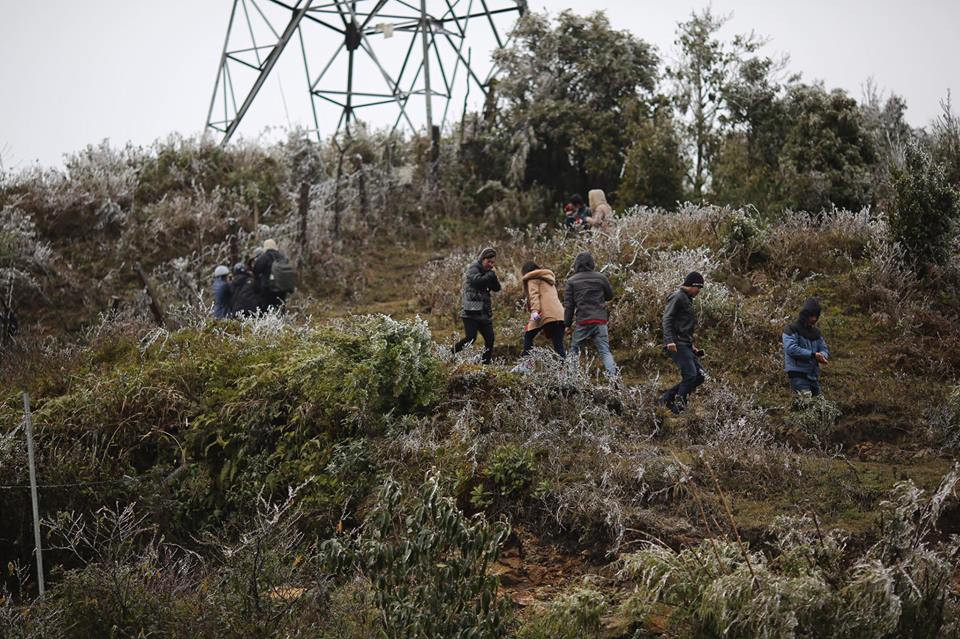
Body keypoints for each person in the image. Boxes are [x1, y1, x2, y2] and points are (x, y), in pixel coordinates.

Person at [564, 252, 618, 379]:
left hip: (583, 321)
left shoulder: (571, 281)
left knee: (574, 350)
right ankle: (614, 378)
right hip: (600, 320)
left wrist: (566, 324)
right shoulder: (601, 278)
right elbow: (610, 296)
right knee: (605, 351)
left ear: (576, 265)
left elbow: (569, 306)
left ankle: (572, 378)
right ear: (592, 263)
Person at [659, 272, 706, 414]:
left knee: (700, 375)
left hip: (685, 343)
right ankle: (679, 406)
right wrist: (669, 341)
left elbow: (683, 324)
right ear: (692, 286)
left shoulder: (687, 298)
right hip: (676, 343)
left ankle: (666, 398)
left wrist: (691, 345)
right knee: (691, 375)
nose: (699, 291)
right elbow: (667, 319)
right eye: (699, 288)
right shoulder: (678, 297)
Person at [453, 247, 501, 364]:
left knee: (490, 339)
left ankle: (485, 364)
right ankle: (449, 353)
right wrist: (490, 275)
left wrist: (493, 277)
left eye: (492, 262)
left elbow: (497, 288)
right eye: (488, 261)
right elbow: (477, 281)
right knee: (471, 338)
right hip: (471, 310)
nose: (490, 264)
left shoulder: (488, 272)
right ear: (482, 259)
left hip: (484, 312)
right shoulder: (473, 268)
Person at [517, 261, 566, 362]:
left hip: (545, 314)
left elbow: (534, 296)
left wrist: (534, 311)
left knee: (528, 335)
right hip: (560, 315)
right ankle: (564, 371)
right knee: (559, 346)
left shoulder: (532, 279)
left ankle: (527, 364)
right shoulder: (548, 279)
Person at [783, 297, 829, 396]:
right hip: (797, 376)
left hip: (813, 377)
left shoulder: (816, 333)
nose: (814, 319)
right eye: (811, 315)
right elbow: (791, 349)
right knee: (807, 402)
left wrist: (822, 355)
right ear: (805, 314)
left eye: (816, 316)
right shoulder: (791, 329)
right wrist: (813, 355)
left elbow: (824, 349)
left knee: (819, 406)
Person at [252, 239, 294, 312]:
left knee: (267, 308)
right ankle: (281, 320)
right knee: (280, 305)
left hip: (268, 288)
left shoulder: (264, 257)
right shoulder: (282, 257)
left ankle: (269, 321)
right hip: (281, 288)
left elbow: (256, 270)